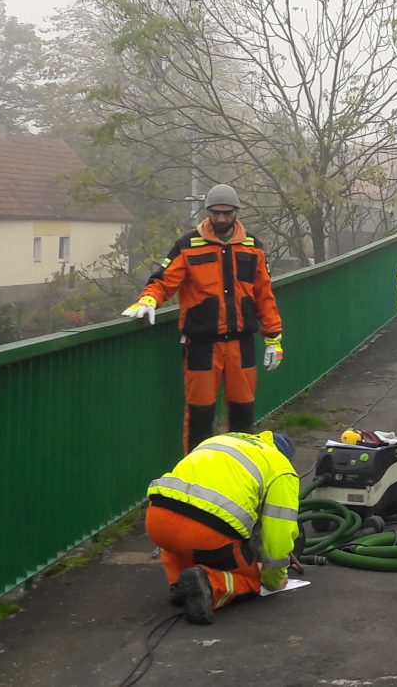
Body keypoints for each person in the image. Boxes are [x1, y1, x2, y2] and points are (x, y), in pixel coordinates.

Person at [122, 184, 284, 453]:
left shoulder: (253, 247)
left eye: (227, 213)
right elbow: (162, 281)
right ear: (207, 211)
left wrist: (273, 339)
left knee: (243, 413)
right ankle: (196, 471)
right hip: (201, 345)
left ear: (236, 212)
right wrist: (148, 300)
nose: (221, 218)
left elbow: (264, 295)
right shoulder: (187, 246)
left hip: (241, 344)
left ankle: (239, 468)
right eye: (215, 213)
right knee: (200, 415)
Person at [145, 430, 300, 624]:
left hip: (157, 518)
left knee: (178, 539)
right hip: (207, 531)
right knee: (252, 579)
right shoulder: (281, 467)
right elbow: (278, 536)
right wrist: (274, 579)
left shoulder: (224, 440)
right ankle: (208, 585)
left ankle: (178, 583)